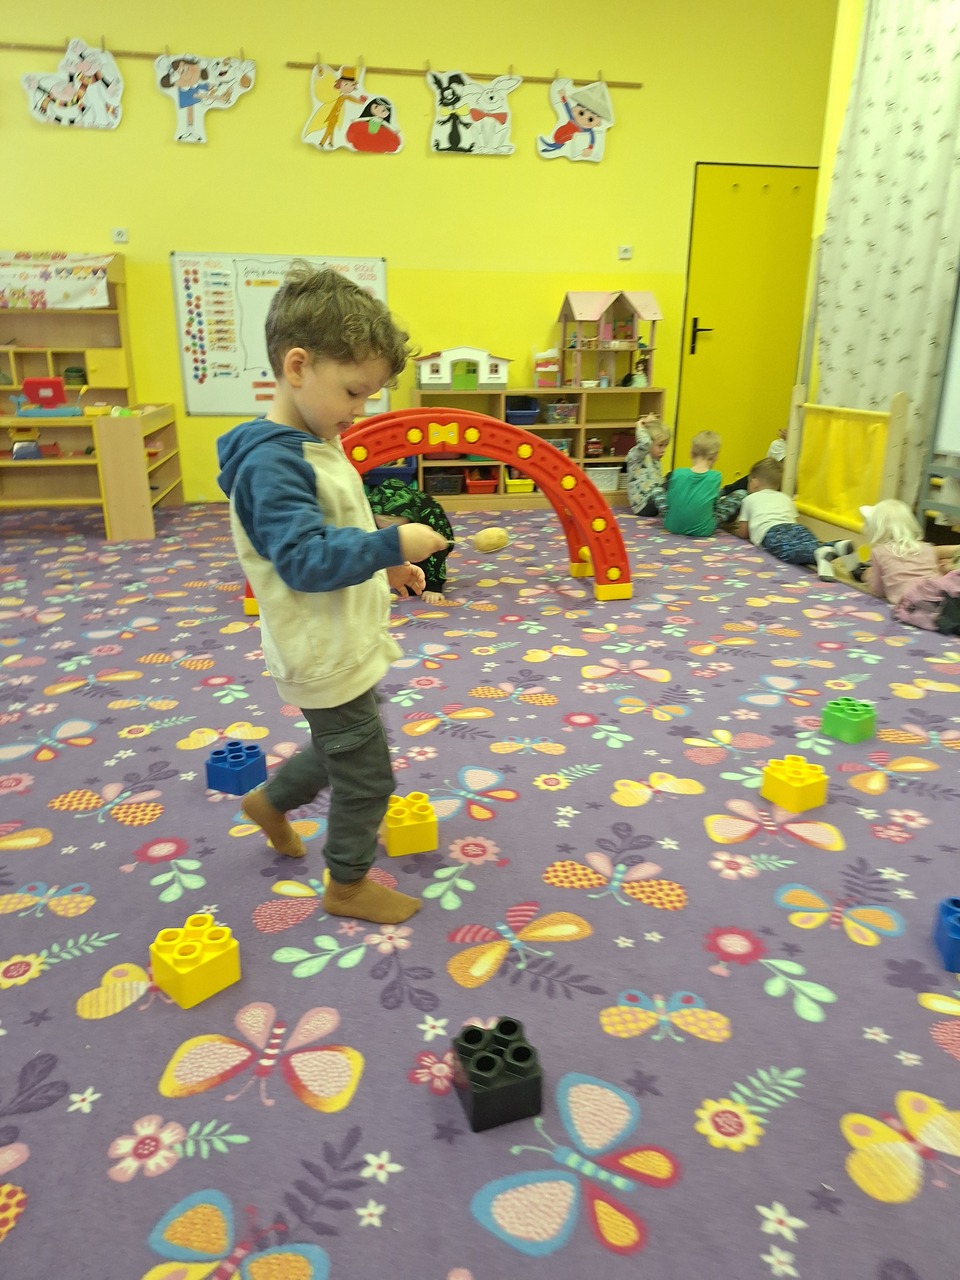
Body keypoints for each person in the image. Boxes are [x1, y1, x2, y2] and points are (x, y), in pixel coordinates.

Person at [216, 264, 448, 925]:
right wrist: (391, 544)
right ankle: (346, 885)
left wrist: (384, 564)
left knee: (342, 740)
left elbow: (337, 522)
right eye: (353, 391)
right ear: (298, 367)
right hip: (321, 648)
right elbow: (304, 560)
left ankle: (268, 802)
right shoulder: (272, 462)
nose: (359, 410)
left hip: (343, 637)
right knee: (368, 775)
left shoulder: (316, 438)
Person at [733, 457, 854, 579]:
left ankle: (818, 553)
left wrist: (735, 531)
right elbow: (793, 520)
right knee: (809, 544)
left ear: (754, 482)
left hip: (771, 532)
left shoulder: (749, 499)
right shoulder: (785, 498)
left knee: (790, 553)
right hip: (796, 528)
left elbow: (744, 532)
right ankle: (838, 546)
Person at [366, 476, 454, 603]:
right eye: (382, 524)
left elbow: (439, 550)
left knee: (417, 582)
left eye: (394, 526)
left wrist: (434, 586)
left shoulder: (429, 513)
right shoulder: (366, 514)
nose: (389, 529)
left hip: (429, 537)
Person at [858, 499, 960, 603]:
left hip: (911, 602)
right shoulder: (927, 547)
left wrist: (868, 577)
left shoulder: (879, 552)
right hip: (940, 595)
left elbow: (877, 591)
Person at [655, 430, 743, 536]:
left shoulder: (678, 473)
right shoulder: (715, 476)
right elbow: (713, 506)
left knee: (657, 490)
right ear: (716, 456)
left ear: (691, 453)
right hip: (703, 530)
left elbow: (671, 500)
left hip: (672, 526)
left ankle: (677, 519)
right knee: (741, 493)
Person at [625, 417, 671, 517]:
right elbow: (645, 444)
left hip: (655, 498)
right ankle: (667, 512)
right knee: (662, 488)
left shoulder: (656, 459)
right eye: (660, 445)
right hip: (643, 506)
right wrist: (639, 426)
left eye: (665, 446)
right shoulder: (636, 456)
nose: (663, 450)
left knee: (674, 476)